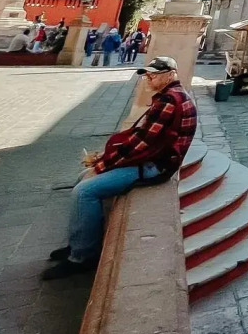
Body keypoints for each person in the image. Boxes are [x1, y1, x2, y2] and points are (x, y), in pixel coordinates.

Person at [41, 56, 196, 280]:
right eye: (147, 74)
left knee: (84, 191)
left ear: (170, 75)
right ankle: (80, 241)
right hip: (154, 159)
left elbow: (142, 144)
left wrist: (105, 163)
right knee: (83, 178)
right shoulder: (172, 96)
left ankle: (82, 257)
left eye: (153, 75)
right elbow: (143, 138)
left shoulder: (169, 101)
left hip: (155, 166)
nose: (148, 78)